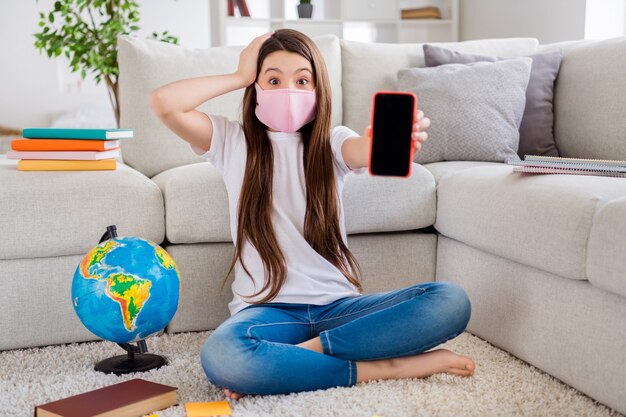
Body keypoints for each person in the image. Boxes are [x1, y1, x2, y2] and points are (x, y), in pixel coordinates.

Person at [150, 28, 475, 401]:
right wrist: (240, 74)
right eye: (273, 80)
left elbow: (362, 150)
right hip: (268, 313)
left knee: (451, 301)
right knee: (223, 356)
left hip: (338, 307)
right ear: (255, 90)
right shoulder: (231, 142)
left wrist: (389, 142)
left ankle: (305, 358)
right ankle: (388, 366)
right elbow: (165, 103)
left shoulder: (332, 142)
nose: (288, 89)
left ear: (318, 91)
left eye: (302, 80)